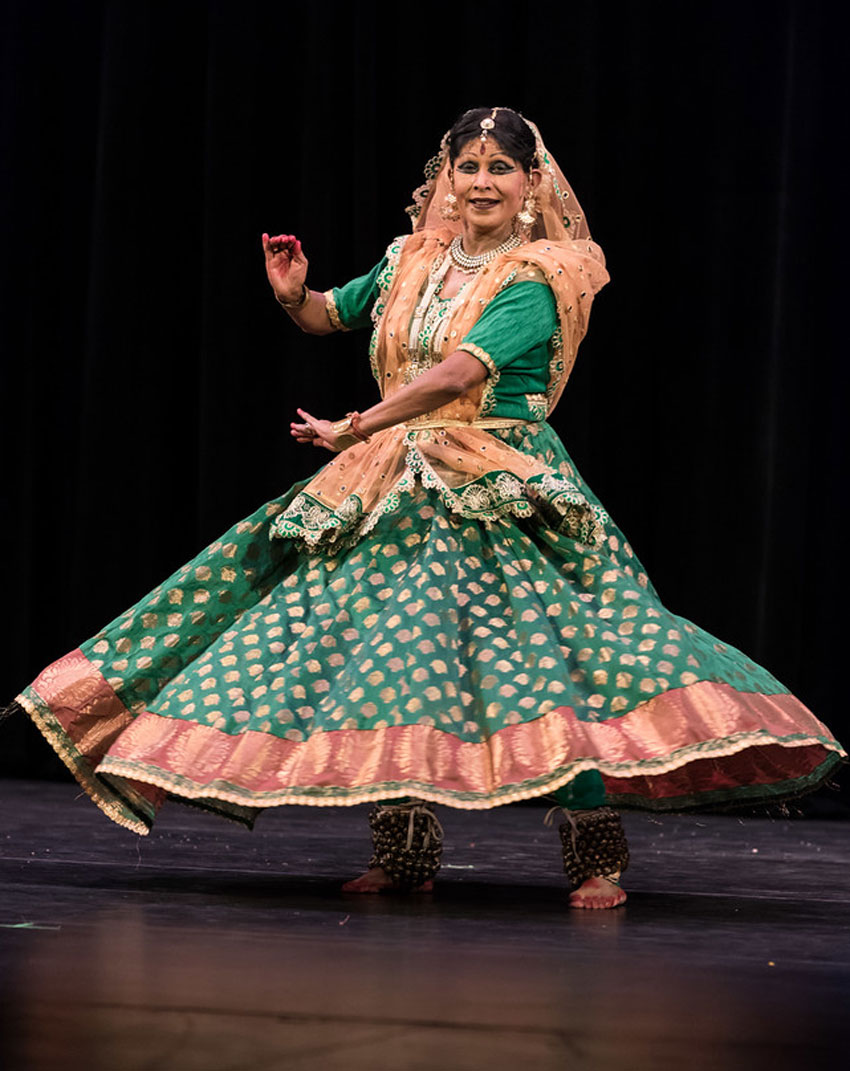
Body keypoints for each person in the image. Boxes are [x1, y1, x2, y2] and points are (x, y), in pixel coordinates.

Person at [6, 108, 845, 911]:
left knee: (552, 658)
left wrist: (359, 423)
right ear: (447, 176)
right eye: (467, 166)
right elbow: (335, 314)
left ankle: (595, 849)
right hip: (391, 488)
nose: (481, 182)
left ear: (530, 181)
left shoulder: (543, 275)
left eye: (499, 169)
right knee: (393, 655)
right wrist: (294, 295)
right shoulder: (415, 255)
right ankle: (403, 848)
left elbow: (458, 375)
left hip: (496, 482)